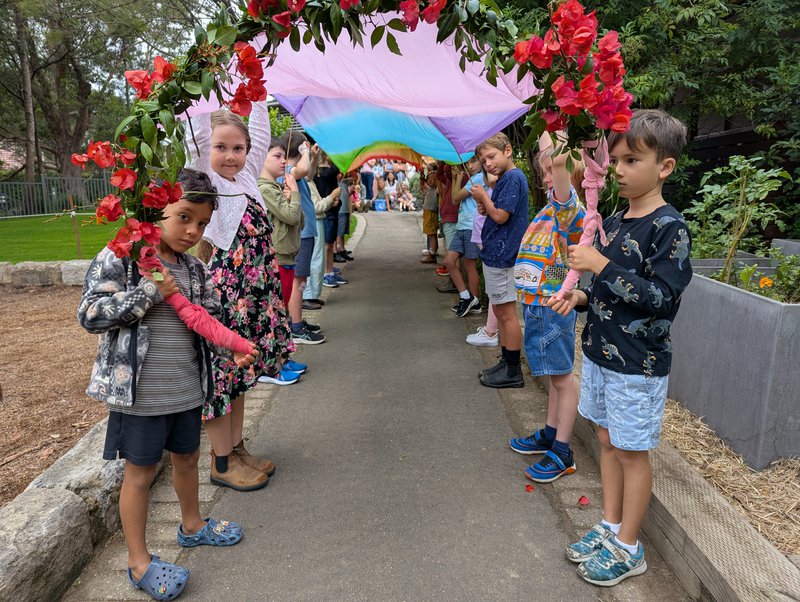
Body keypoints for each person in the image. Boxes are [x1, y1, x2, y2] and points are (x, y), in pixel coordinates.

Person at [78, 169, 257, 600]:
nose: (192, 231)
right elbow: (90, 314)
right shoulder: (123, 255)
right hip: (139, 395)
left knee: (187, 458)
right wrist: (147, 293)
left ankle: (192, 525)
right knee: (139, 475)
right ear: (155, 212)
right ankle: (139, 561)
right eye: (183, 218)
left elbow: (207, 318)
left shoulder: (195, 268)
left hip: (185, 389)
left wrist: (229, 346)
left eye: (201, 223)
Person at [548, 109, 692, 586]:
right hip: (601, 356)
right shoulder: (616, 219)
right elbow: (614, 294)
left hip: (638, 366)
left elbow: (662, 301)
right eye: (618, 160)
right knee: (607, 443)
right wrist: (582, 295)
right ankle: (611, 527)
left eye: (633, 159)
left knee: (632, 451)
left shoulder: (669, 229)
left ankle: (630, 546)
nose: (620, 170)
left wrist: (599, 266)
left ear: (665, 167)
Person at [188, 102, 299, 491]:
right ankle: (221, 462)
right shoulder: (208, 181)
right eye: (221, 147)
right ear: (208, 150)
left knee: (240, 377)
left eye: (238, 148)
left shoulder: (247, 179)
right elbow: (199, 137)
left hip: (255, 297)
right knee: (223, 378)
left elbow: (261, 134)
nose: (231, 156)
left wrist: (256, 94)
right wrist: (197, 94)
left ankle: (236, 449)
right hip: (227, 297)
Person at [509, 133, 585, 483]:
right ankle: (551, 432)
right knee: (555, 379)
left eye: (550, 171)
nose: (546, 177)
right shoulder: (552, 212)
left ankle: (563, 450)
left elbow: (558, 160)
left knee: (562, 378)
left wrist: (553, 125)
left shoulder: (569, 210)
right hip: (541, 303)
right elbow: (559, 261)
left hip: (551, 307)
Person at [257, 136, 323, 364]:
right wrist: (294, 193)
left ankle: (282, 358)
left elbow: (299, 220)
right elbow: (291, 216)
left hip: (288, 254)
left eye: (283, 156)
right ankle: (275, 361)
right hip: (280, 255)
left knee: (280, 308)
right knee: (276, 311)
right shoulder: (265, 188)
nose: (283, 161)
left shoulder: (276, 186)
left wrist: (292, 197)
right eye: (277, 156)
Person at [472, 132, 529, 388]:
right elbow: (496, 212)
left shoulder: (514, 178)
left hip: (504, 256)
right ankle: (506, 361)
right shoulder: (506, 179)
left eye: (491, 156)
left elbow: (502, 217)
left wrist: (485, 198)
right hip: (497, 254)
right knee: (499, 310)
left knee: (506, 314)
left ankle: (513, 370)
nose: (488, 164)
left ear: (507, 150)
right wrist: (486, 203)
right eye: (484, 161)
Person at [282, 132, 327, 344]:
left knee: (300, 279)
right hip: (302, 233)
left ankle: (296, 320)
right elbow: (303, 170)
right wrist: (306, 152)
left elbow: (307, 175)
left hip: (306, 232)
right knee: (298, 281)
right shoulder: (289, 170)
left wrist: (313, 156)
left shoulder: (295, 172)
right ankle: (296, 327)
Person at [465, 168, 499, 346]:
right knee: (493, 289)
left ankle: (491, 331)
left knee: (495, 292)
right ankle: (490, 329)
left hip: (491, 246)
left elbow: (499, 216)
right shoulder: (490, 191)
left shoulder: (499, 191)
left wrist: (484, 198)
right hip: (484, 244)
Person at [446, 156, 484, 317]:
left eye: (474, 161)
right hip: (462, 226)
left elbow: (455, 198)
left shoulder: (479, 178)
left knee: (470, 265)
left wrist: (457, 178)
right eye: (469, 162)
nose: (470, 165)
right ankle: (466, 297)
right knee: (449, 261)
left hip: (471, 226)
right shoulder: (474, 178)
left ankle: (475, 301)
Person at [420, 171, 440, 264]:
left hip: (432, 213)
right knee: (430, 233)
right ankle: (433, 251)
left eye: (434, 178)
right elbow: (422, 186)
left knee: (432, 234)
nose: (431, 180)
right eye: (429, 178)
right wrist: (421, 177)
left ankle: (432, 254)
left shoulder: (437, 189)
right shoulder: (429, 189)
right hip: (427, 213)